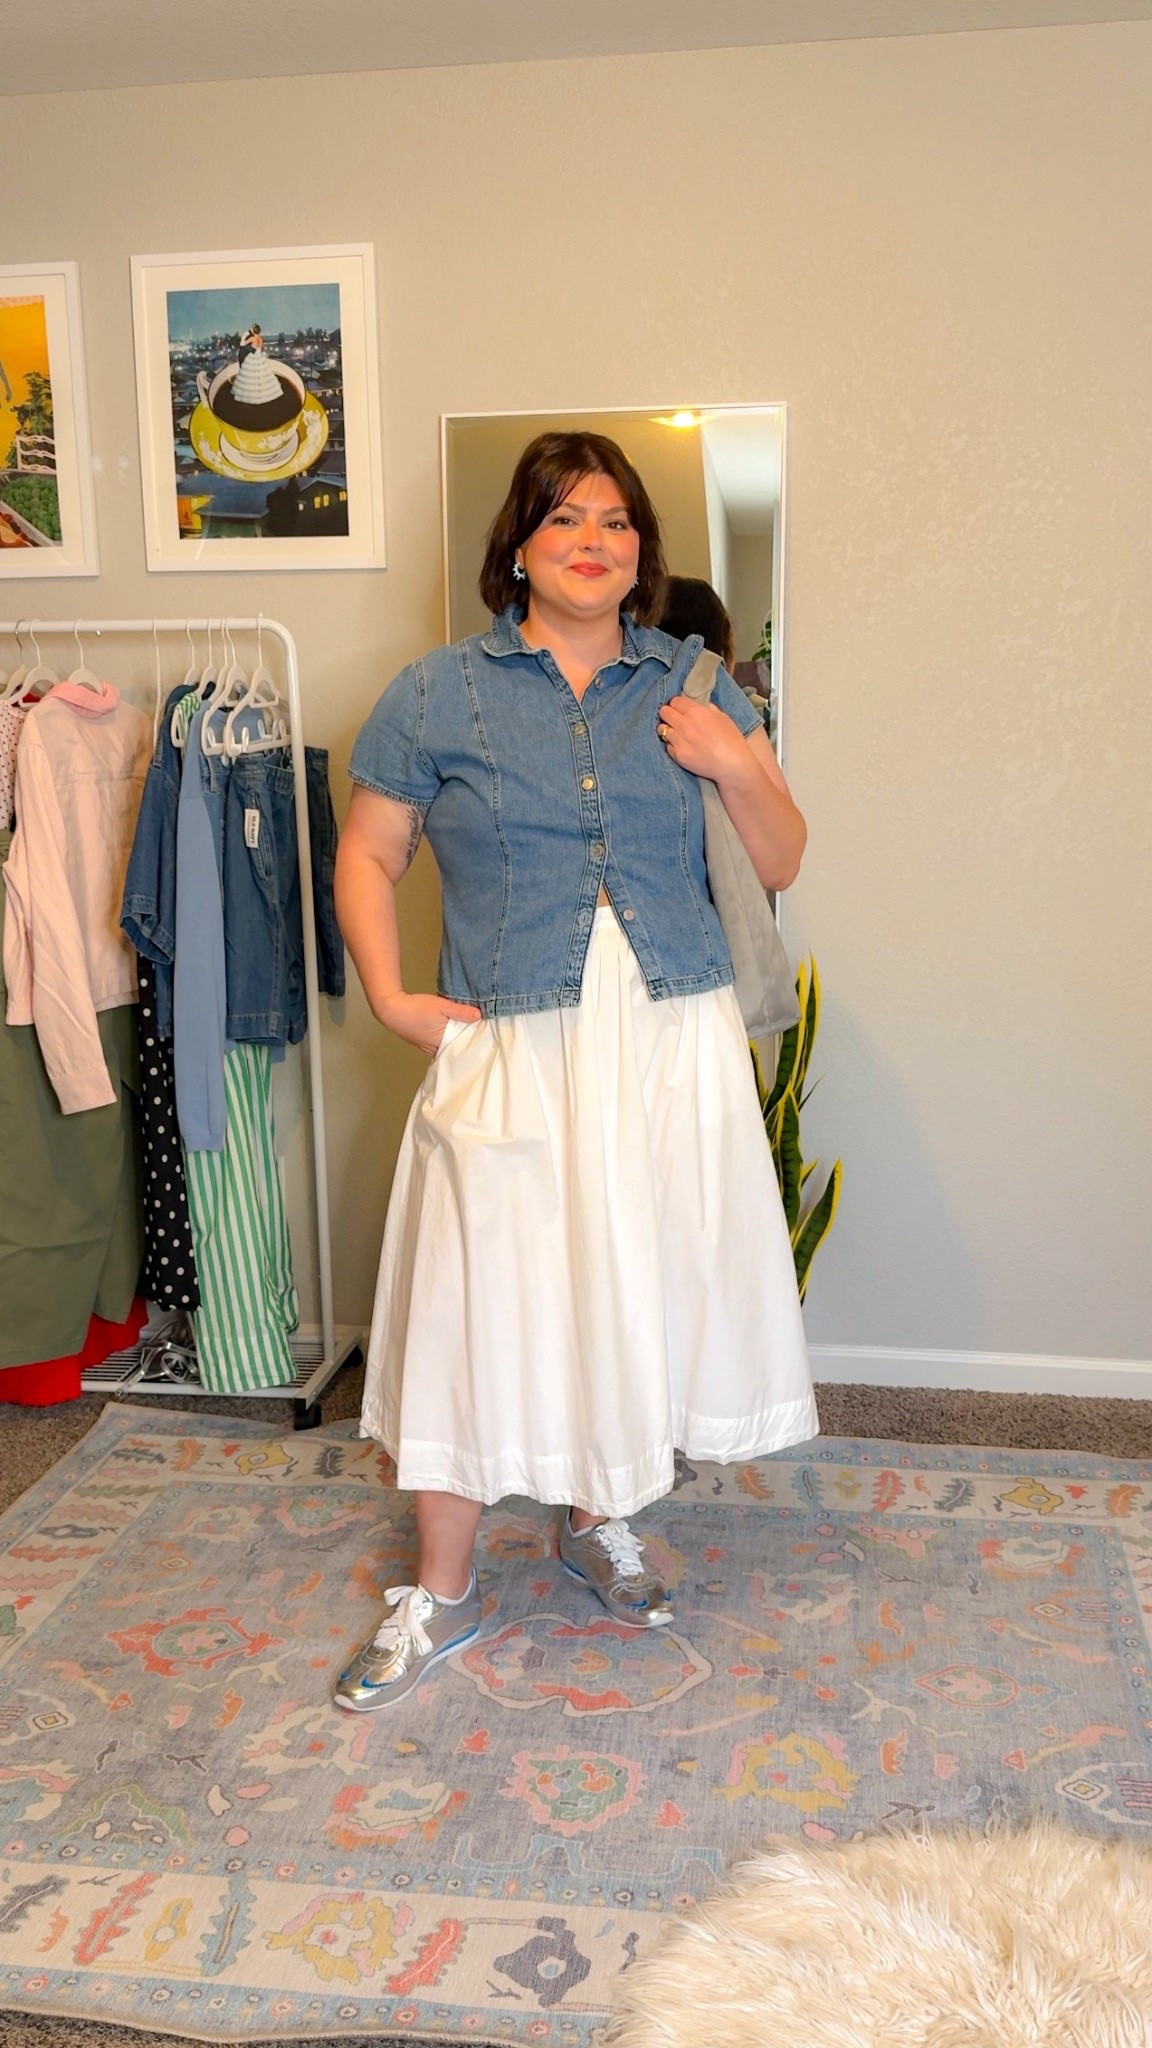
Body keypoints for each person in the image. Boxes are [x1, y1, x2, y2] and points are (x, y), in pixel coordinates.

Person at [332, 430, 818, 1713]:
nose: (591, 541)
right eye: (563, 519)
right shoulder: (437, 692)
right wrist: (391, 994)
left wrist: (734, 757)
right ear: (520, 547)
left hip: (667, 1034)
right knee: (468, 1299)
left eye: (614, 520)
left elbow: (779, 857)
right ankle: (441, 1587)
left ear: (640, 549)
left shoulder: (696, 682)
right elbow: (368, 854)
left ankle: (602, 1516)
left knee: (631, 1277)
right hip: (515, 1035)